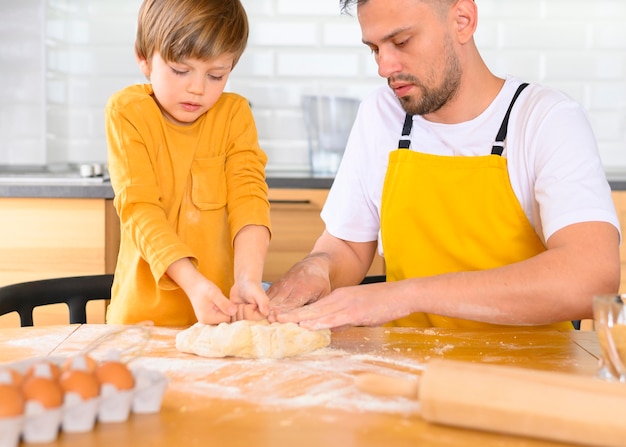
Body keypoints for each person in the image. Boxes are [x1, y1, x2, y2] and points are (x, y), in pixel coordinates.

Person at [267, 0, 621, 331]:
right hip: (406, 375)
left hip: (531, 381)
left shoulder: (545, 118)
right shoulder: (381, 114)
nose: (384, 67)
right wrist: (318, 267)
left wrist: (405, 295)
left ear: (462, 20)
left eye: (401, 42)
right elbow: (347, 244)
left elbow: (591, 276)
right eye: (374, 48)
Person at [104, 0, 271, 326]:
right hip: (141, 324)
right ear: (144, 58)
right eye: (181, 70)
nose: (197, 88)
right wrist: (193, 284)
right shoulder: (128, 112)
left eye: (216, 75)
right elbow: (139, 209)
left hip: (219, 319)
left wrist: (248, 278)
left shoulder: (234, 115)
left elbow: (249, 199)